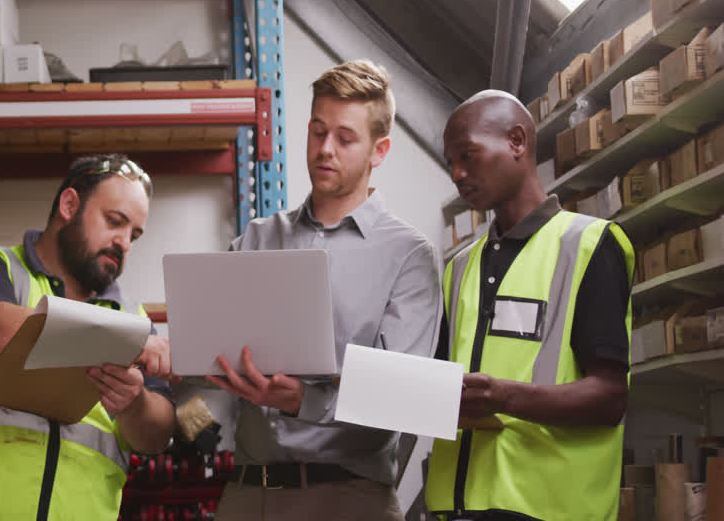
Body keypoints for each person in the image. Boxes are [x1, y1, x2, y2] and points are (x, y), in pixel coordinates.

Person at [209, 59, 442, 520]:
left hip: (349, 499)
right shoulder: (255, 240)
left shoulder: (410, 257)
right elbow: (215, 355)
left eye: (345, 137)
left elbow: (401, 399)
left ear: (380, 150)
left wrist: (302, 400)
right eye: (317, 131)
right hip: (249, 495)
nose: (325, 149)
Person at [0, 153, 175, 521]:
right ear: (69, 205)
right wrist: (121, 343)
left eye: (134, 234)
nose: (125, 243)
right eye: (115, 222)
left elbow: (157, 435)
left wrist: (133, 403)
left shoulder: (133, 317)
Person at [425, 90, 634, 521]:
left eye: (467, 154)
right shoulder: (460, 267)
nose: (457, 173)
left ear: (518, 141)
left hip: (548, 510)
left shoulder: (589, 245)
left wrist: (505, 396)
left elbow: (611, 397)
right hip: (457, 509)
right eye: (450, 162)